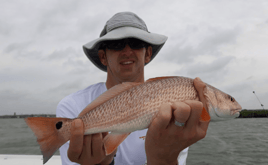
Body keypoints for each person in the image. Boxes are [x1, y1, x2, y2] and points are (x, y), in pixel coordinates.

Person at [56, 11, 210, 165]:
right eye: (117, 44)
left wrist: (163, 159)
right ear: (103, 57)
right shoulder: (72, 106)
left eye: (136, 43)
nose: (127, 51)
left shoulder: (178, 108)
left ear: (148, 53)